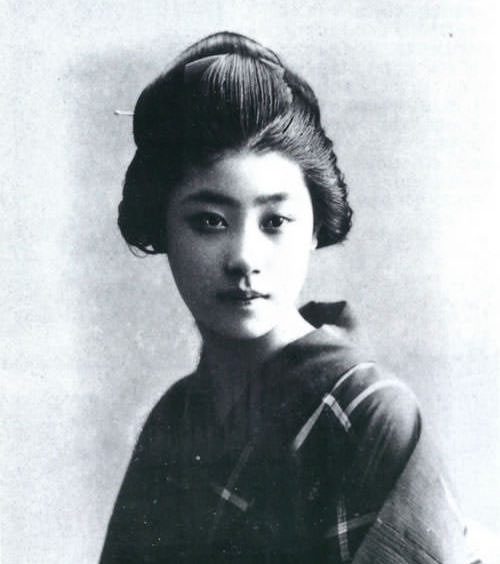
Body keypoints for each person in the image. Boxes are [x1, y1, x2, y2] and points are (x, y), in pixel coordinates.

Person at [100, 32, 476, 563]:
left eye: (275, 221)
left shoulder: (369, 414)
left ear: (315, 228)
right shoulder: (173, 421)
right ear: (164, 228)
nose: (244, 257)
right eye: (209, 222)